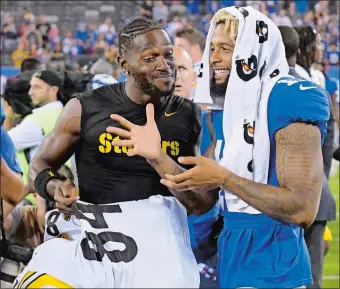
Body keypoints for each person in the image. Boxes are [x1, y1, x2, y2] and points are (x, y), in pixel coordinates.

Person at [15, 18, 212, 288]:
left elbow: (200, 203)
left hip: (156, 252)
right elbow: (41, 162)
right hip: (92, 245)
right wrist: (53, 185)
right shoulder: (85, 108)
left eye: (168, 55)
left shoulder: (189, 115)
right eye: (151, 57)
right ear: (124, 65)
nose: (165, 65)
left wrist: (157, 157)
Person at [155, 7, 328, 288]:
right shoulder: (224, 110)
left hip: (275, 263)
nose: (214, 58)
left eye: (226, 48)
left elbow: (302, 209)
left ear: (253, 50)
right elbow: (202, 199)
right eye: (212, 47)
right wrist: (154, 153)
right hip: (231, 257)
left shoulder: (289, 98)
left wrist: (224, 178)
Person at [294, 26, 337, 289]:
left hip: (310, 188)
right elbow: (327, 138)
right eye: (317, 42)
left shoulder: (317, 77)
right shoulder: (301, 82)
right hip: (299, 191)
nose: (322, 48)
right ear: (305, 48)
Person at [7, 69, 65, 185]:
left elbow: (5, 143)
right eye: (31, 87)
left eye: (37, 87)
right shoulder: (65, 113)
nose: (30, 92)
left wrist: (7, 118)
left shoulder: (37, 120)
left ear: (53, 90)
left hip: (35, 192)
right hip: (60, 184)